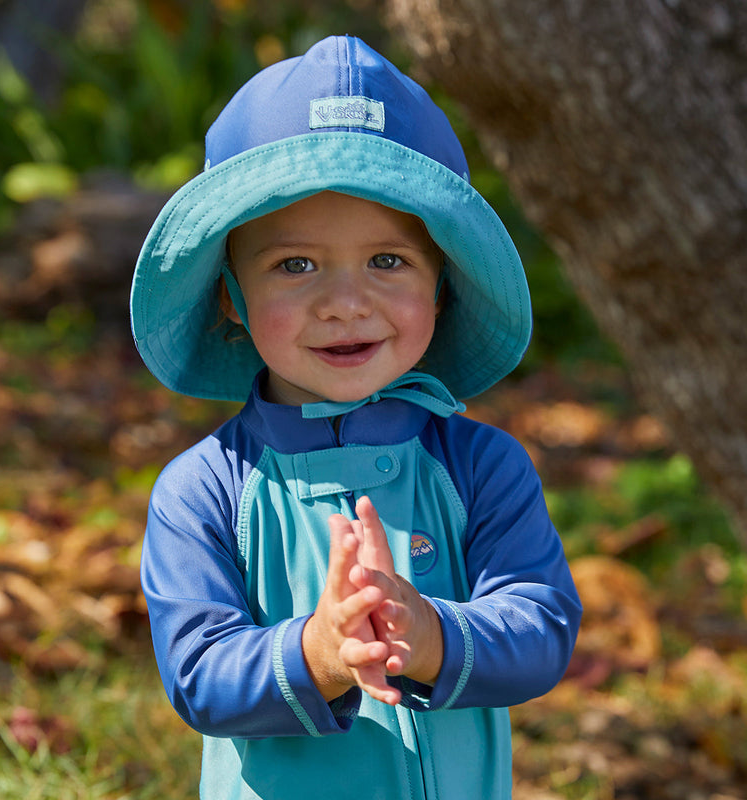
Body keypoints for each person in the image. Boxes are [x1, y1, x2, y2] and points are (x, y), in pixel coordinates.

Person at [130, 34, 582, 800]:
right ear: (230, 299)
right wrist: (324, 649)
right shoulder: (205, 489)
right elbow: (198, 675)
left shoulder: (481, 466)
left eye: (388, 261)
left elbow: (542, 627)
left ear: (442, 287)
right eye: (294, 265)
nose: (345, 303)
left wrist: (432, 635)